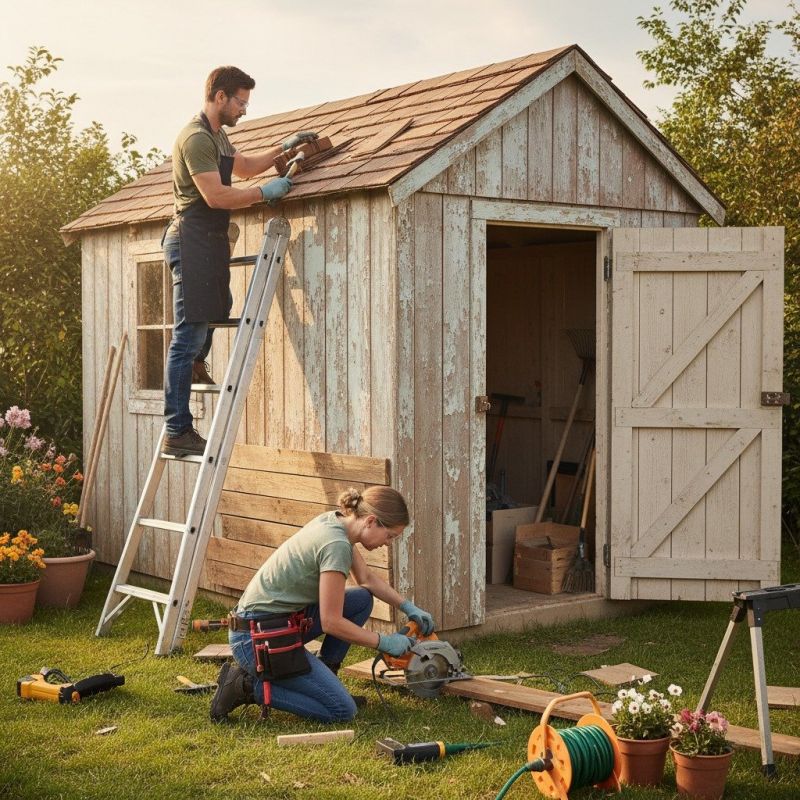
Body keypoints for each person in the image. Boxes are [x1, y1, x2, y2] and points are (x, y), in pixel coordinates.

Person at [162, 65, 318, 457]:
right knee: (187, 336)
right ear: (220, 97)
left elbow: (243, 166)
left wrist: (283, 148)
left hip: (209, 238)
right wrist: (263, 193)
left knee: (219, 309)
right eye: (241, 102)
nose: (244, 110)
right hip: (191, 235)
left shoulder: (218, 137)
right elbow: (216, 196)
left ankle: (196, 364)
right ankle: (177, 430)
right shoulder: (196, 138)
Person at [210, 486, 435, 723]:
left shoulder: (337, 523)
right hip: (256, 640)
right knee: (341, 710)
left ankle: (326, 680)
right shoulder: (336, 545)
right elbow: (331, 623)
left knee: (360, 600)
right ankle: (244, 686)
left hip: (277, 623)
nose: (389, 543)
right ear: (371, 521)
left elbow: (366, 580)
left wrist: (408, 606)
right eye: (390, 536)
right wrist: (385, 642)